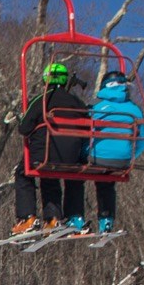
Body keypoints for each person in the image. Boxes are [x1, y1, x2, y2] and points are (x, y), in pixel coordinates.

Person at [10, 63, 90, 235]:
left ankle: (28, 217)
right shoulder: (78, 103)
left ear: (46, 79)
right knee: (64, 175)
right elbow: (87, 130)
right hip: (72, 157)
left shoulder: (41, 100)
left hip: (44, 153)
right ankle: (60, 217)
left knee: (23, 172)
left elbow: (24, 128)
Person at [78, 69, 144, 234]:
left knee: (76, 174)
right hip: (122, 160)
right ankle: (106, 219)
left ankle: (75, 217)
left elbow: (83, 133)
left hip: (95, 158)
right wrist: (131, 156)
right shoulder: (135, 110)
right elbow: (142, 140)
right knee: (107, 183)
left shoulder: (97, 107)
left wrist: (83, 152)